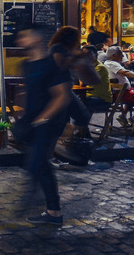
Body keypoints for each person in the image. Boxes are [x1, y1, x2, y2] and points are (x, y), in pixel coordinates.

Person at [14, 25, 71, 226]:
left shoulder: (51, 64)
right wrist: (23, 113)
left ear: (37, 39)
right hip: (32, 122)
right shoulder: (26, 65)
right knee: (38, 164)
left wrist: (43, 119)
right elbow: (29, 92)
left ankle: (52, 211)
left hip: (47, 123)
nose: (20, 41)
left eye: (24, 37)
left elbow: (61, 96)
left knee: (38, 163)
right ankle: (48, 207)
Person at [102, 45, 134, 126]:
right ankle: (132, 118)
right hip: (120, 94)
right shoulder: (112, 64)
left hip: (121, 92)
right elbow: (125, 72)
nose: (123, 56)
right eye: (121, 54)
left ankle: (123, 116)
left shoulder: (108, 63)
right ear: (114, 55)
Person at [81, 45, 112, 114]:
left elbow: (84, 83)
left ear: (96, 54)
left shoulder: (100, 67)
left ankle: (80, 124)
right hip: (89, 96)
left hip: (102, 100)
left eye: (89, 54)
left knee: (74, 103)